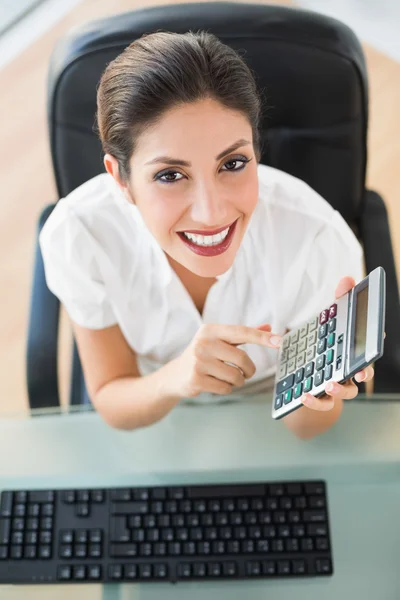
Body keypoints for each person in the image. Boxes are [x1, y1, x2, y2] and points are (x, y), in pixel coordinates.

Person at [39, 30, 373, 439]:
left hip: (269, 422)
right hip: (158, 415)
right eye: (170, 175)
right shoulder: (81, 234)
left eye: (232, 163)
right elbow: (112, 396)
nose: (211, 213)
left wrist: (321, 387)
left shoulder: (318, 241)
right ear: (120, 180)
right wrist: (177, 377)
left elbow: (307, 429)